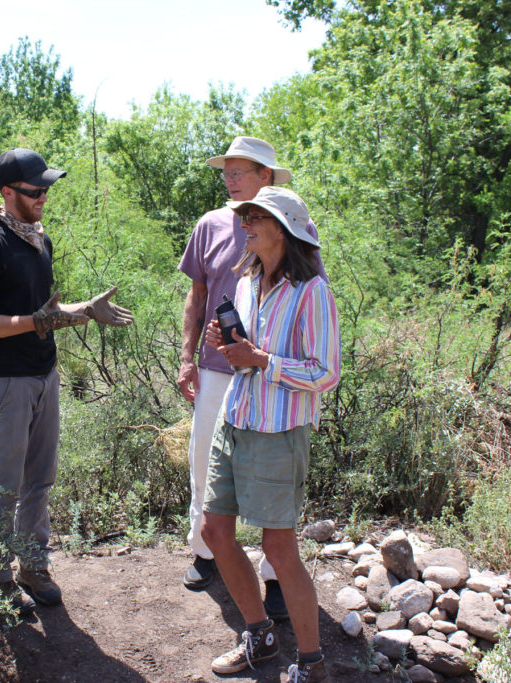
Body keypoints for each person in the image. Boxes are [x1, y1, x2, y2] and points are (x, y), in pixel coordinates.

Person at [0, 147, 134, 616]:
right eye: (34, 190)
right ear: (7, 192)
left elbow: (43, 314)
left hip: (44, 375)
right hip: (6, 384)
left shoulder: (40, 239)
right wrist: (37, 320)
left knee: (39, 479)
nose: (43, 196)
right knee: (2, 484)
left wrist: (81, 311)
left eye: (46, 188)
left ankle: (33, 566)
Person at [177, 136, 326, 619]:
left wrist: (264, 360)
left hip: (275, 385)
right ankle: (206, 552)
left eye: (241, 171)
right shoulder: (211, 225)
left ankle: (275, 576)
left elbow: (309, 306)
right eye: (227, 171)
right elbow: (197, 296)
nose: (230, 179)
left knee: (273, 485)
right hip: (221, 370)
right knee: (207, 463)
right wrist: (189, 356)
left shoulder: (292, 227)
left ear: (267, 178)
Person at [200, 185, 340, 682]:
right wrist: (231, 345)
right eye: (245, 215)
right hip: (235, 419)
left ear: (283, 228)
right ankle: (258, 635)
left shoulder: (312, 291)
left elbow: (325, 373)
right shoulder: (246, 282)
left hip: (279, 431)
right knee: (214, 532)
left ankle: (312, 663)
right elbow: (248, 355)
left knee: (279, 550)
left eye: (256, 216)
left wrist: (261, 360)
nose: (246, 223)